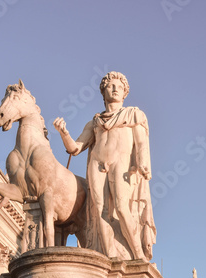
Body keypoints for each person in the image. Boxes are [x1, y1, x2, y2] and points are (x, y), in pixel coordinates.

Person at [53, 71, 156, 262]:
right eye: (111, 86)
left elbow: (141, 143)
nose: (115, 88)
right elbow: (75, 148)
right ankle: (110, 256)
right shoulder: (95, 122)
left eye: (119, 86)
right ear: (103, 92)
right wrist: (63, 132)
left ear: (125, 92)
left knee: (122, 206)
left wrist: (142, 162)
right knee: (100, 210)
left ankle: (138, 254)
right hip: (97, 163)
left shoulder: (133, 114)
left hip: (122, 162)